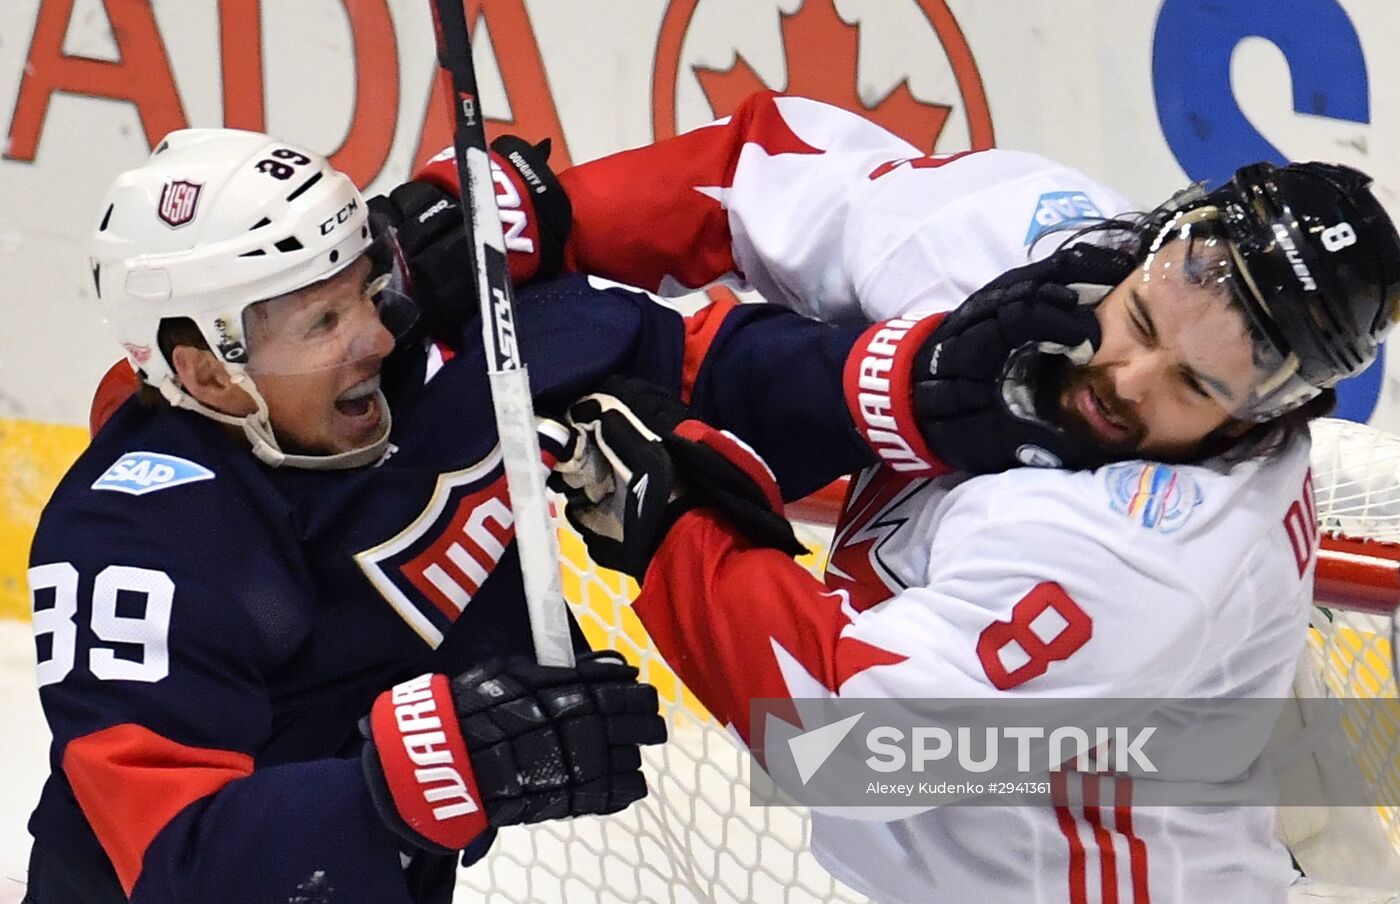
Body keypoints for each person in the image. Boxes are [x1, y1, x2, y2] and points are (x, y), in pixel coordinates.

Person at [528, 92, 1400, 903]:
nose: (1122, 380)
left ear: (1258, 420)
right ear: (1149, 244)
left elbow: (848, 751)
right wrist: (530, 216)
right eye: (1137, 322)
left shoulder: (1152, 557)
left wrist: (676, 523)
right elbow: (761, 167)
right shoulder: (1031, 226)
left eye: (1193, 386)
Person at [25, 126, 902, 903]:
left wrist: (909, 384)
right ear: (211, 372)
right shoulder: (135, 541)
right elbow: (178, 860)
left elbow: (685, 366)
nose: (371, 335)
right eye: (322, 320)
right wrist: (422, 775)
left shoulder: (436, 361)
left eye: (363, 288)